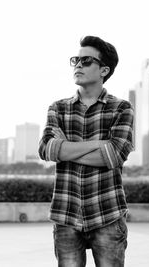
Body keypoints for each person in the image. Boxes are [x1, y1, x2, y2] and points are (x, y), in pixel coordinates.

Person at [38, 36, 134, 267]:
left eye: (86, 61)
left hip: (108, 214)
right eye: (76, 60)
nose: (78, 65)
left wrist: (66, 148)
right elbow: (47, 149)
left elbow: (114, 155)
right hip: (66, 214)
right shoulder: (58, 108)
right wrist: (99, 144)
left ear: (104, 70)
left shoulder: (121, 108)